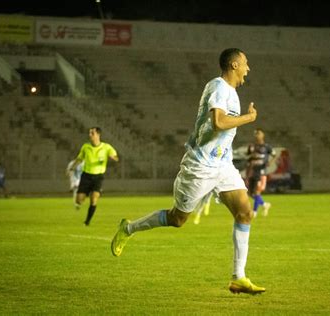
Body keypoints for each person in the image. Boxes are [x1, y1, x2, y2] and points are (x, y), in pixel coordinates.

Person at [111, 48, 265, 295]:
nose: (249, 68)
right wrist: (249, 118)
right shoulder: (217, 87)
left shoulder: (232, 93)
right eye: (246, 63)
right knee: (177, 219)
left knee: (245, 213)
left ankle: (239, 277)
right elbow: (218, 123)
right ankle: (128, 228)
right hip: (199, 167)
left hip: (222, 166)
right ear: (234, 65)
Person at [69, 127, 118, 225]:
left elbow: (116, 158)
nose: (90, 135)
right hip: (86, 176)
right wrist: (72, 167)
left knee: (94, 199)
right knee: (79, 200)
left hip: (98, 177)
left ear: (98, 135)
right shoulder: (85, 147)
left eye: (92, 133)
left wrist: (112, 157)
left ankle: (87, 222)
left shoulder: (106, 147)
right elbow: (79, 159)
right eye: (89, 133)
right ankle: (81, 199)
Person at [246, 128, 275, 217]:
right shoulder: (251, 146)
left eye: (258, 133)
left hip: (261, 172)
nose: (257, 135)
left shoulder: (267, 147)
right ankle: (265, 204)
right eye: (256, 133)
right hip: (252, 171)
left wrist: (270, 162)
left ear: (263, 135)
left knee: (257, 191)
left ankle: (254, 212)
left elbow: (274, 155)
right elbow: (248, 158)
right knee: (250, 193)